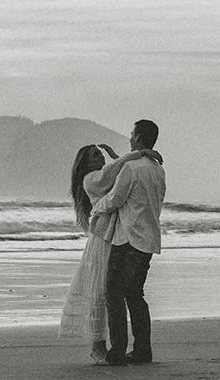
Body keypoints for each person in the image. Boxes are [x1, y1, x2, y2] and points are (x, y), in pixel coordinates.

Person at [58, 141, 161, 361]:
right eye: (95, 155)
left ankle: (113, 347)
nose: (100, 158)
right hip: (103, 240)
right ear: (85, 164)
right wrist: (138, 153)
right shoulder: (91, 179)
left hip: (114, 238)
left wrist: (118, 156)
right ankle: (98, 346)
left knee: (111, 292)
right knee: (100, 290)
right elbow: (113, 174)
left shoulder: (105, 175)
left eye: (100, 155)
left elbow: (121, 173)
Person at [90, 119, 167, 366]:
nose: (130, 136)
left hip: (128, 239)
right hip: (149, 238)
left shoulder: (132, 169)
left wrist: (96, 208)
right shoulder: (157, 169)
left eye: (132, 133)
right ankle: (143, 350)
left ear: (139, 137)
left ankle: (118, 351)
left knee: (114, 294)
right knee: (135, 294)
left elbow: (115, 199)